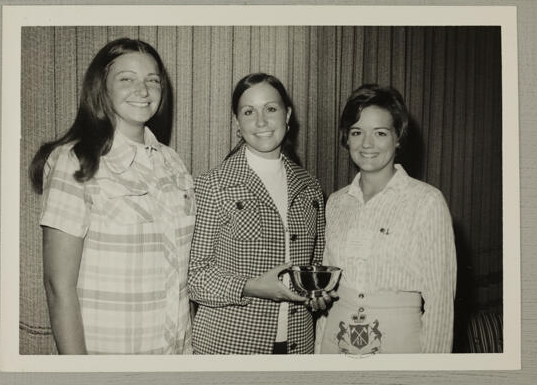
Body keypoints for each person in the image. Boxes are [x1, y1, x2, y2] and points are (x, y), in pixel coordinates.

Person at [29, 38, 195, 354]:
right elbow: (57, 286)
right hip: (108, 356)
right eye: (126, 78)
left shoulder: (172, 162)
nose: (143, 90)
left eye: (152, 80)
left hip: (176, 353)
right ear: (101, 88)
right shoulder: (74, 161)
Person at [188, 73, 327, 354]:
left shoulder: (311, 187)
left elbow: (315, 267)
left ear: (288, 115)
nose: (261, 121)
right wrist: (251, 287)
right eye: (249, 111)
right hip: (229, 348)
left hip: (299, 347)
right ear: (237, 123)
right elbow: (194, 278)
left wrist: (318, 295)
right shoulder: (213, 184)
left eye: (271, 109)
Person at [315, 84, 457, 354]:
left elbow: (440, 305)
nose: (367, 144)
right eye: (357, 132)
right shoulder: (336, 202)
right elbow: (328, 287)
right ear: (347, 138)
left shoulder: (426, 201)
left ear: (398, 137)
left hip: (399, 347)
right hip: (336, 343)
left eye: (380, 133)